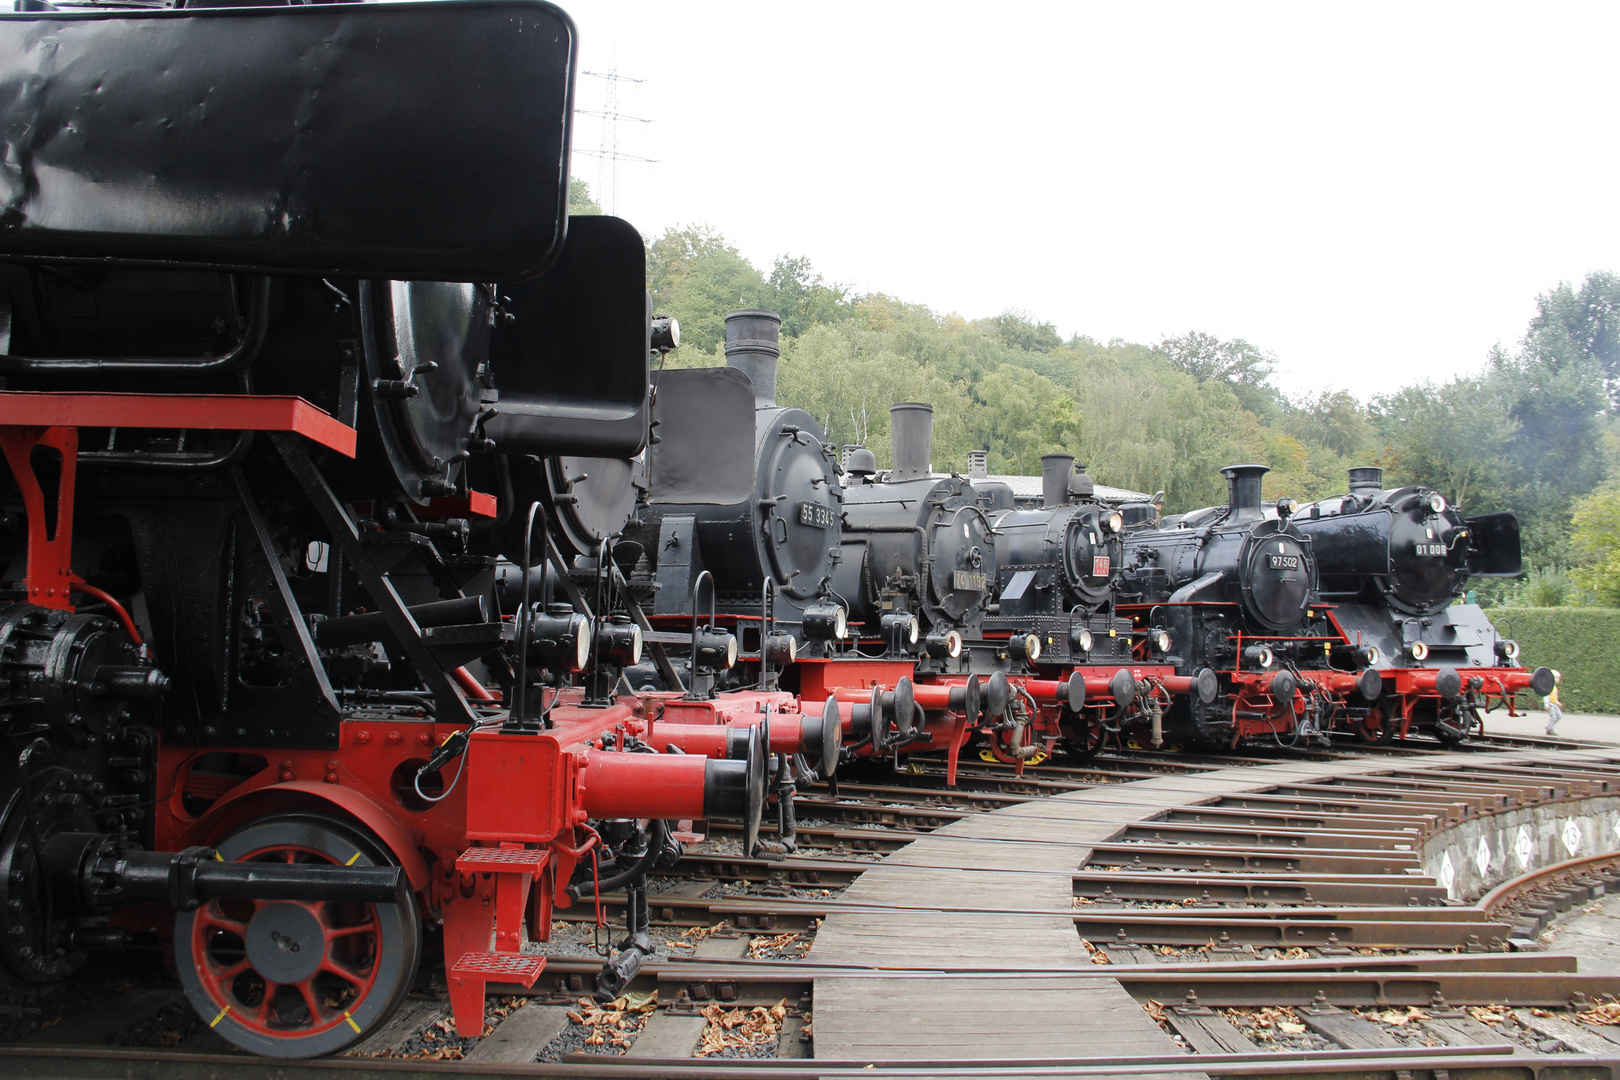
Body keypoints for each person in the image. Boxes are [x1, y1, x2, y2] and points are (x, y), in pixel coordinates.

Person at [1545, 670, 1564, 735]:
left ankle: (1549, 726)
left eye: (1558, 678)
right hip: (1550, 704)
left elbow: (1554, 696)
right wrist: (1547, 704)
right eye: (1556, 678)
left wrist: (1557, 702)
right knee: (1553, 717)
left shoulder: (1554, 687)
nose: (1558, 680)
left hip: (1554, 703)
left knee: (1559, 716)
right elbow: (1546, 696)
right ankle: (1549, 729)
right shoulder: (1548, 687)